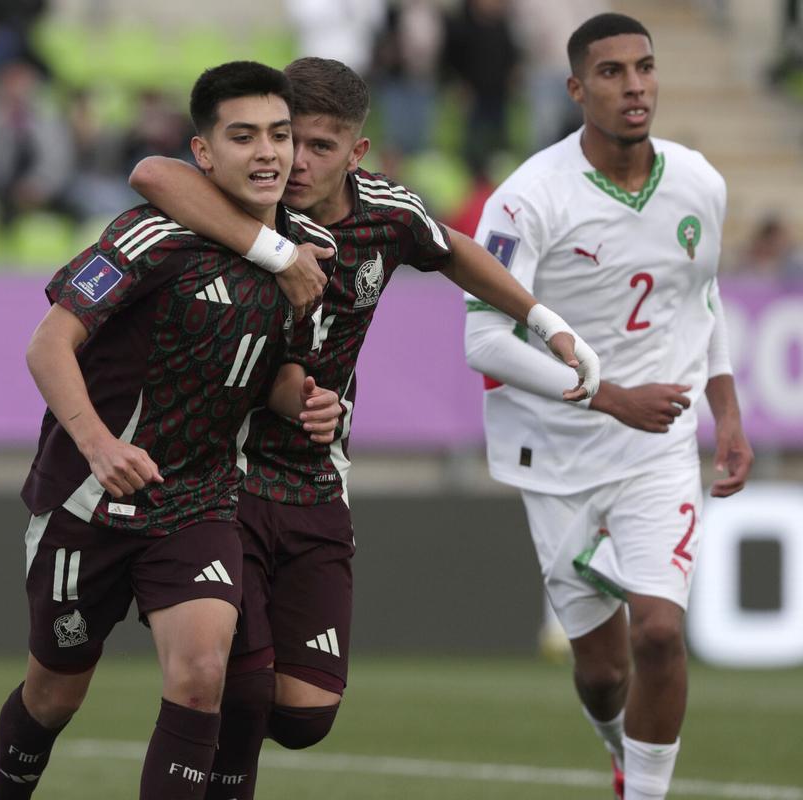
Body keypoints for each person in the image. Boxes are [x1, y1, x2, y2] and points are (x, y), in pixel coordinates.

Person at [129, 56, 598, 799]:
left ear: (358, 152)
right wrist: (273, 252)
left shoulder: (389, 214)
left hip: (317, 477)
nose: (296, 163)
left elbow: (455, 253)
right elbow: (154, 174)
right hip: (222, 473)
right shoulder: (244, 208)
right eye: (290, 141)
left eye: (320, 146)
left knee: (305, 715)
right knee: (238, 693)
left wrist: (544, 321)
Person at [0, 61, 347, 800]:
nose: (269, 153)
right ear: (205, 154)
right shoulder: (155, 235)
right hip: (91, 499)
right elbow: (47, 345)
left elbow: (273, 370)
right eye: (243, 136)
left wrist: (304, 399)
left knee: (202, 673)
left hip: (201, 499)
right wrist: (99, 444)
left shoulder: (311, 254)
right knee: (55, 695)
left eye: (280, 134)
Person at [463, 14, 753, 800]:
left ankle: (644, 793)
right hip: (558, 455)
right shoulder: (527, 200)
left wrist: (725, 413)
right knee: (602, 672)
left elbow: (702, 299)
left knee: (660, 632)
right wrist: (606, 395)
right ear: (576, 88)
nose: (634, 86)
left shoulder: (699, 181)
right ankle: (617, 749)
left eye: (645, 68)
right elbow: (483, 342)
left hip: (657, 447)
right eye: (613, 72)